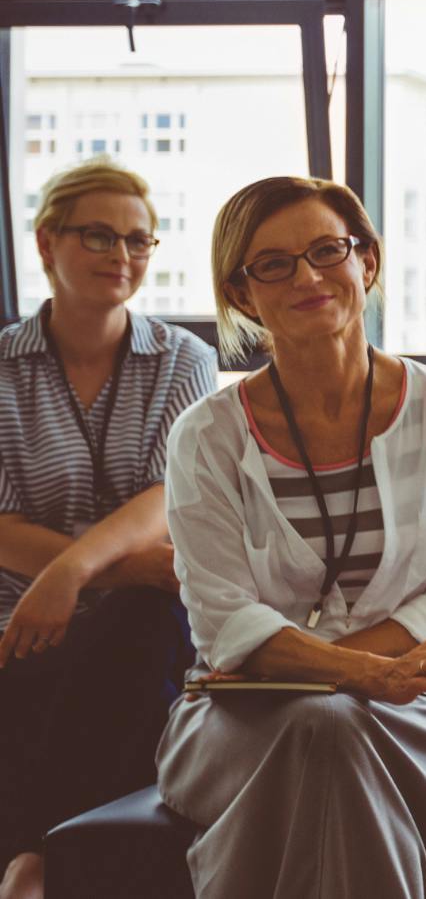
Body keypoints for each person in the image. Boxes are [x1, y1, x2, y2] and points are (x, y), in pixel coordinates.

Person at [156, 176, 426, 899]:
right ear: (243, 293)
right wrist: (359, 676)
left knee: (331, 726)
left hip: (410, 708)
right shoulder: (207, 437)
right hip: (235, 714)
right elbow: (223, 620)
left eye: (326, 251)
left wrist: (340, 673)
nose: (307, 277)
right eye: (274, 264)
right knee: (328, 727)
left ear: (366, 263)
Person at [0, 159, 215, 899]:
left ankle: (31, 857)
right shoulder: (0, 368)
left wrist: (70, 573)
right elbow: (0, 527)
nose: (122, 256)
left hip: (137, 615)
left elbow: (168, 494)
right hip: (17, 616)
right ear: (46, 243)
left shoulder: (186, 359)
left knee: (147, 618)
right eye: (99, 236)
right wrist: (99, 570)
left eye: (139, 240)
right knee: (110, 648)